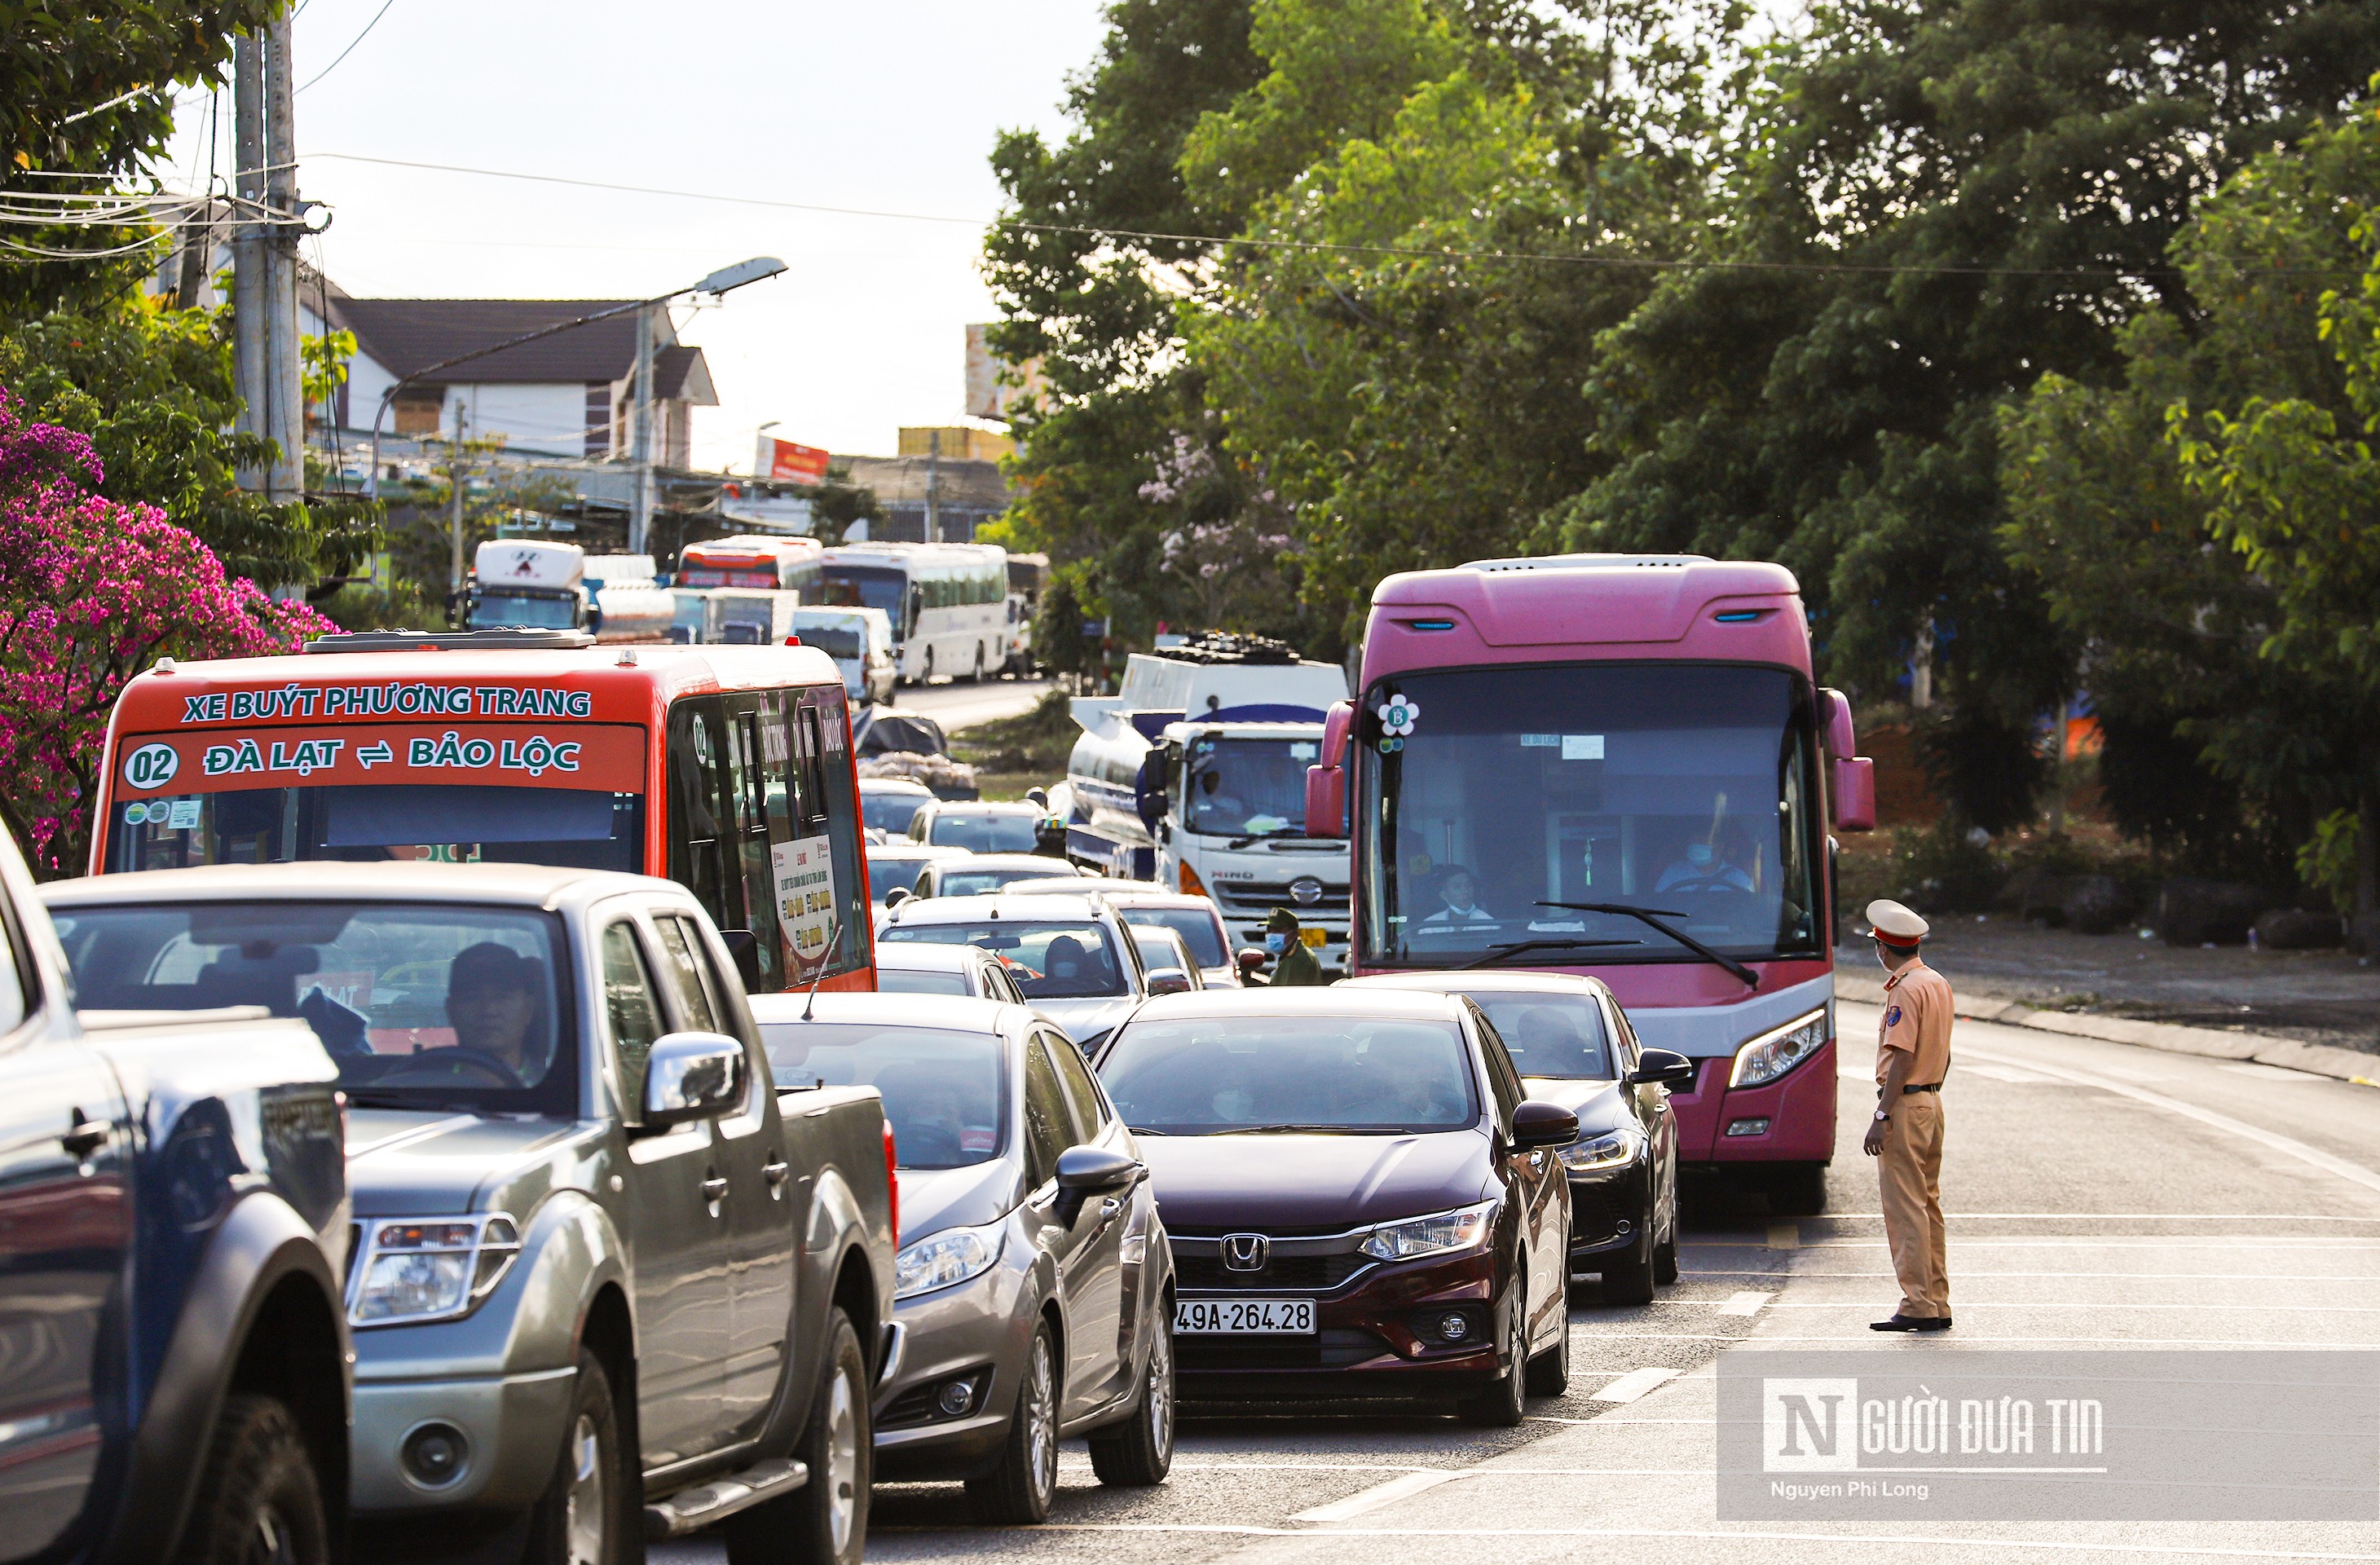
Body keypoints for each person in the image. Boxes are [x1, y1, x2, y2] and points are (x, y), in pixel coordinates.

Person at [1861, 899, 1953, 1332]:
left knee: (1906, 1208)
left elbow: (1901, 1055)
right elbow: (1943, 1051)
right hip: (1931, 1101)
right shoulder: (1936, 982)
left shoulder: (1905, 990)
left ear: (1883, 948)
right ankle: (1937, 1299)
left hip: (1905, 1102)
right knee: (1928, 1204)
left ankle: (1917, 1302)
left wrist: (1882, 1112)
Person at [444, 941, 550, 1084]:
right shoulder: (421, 1085)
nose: (488, 1010)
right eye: (472, 997)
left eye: (502, 997)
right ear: (451, 1011)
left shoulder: (554, 1089)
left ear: (528, 1009)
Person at [1657, 831, 1756, 893]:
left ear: (1720, 847)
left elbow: (1749, 912)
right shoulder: (1674, 872)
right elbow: (1659, 906)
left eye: (1702, 842)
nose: (1696, 846)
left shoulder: (1737, 878)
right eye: (1694, 842)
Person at [1261, 906, 1326, 986]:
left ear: (1294, 933)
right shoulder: (1290, 956)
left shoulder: (1298, 960)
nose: (1272, 935)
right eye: (1269, 930)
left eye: (1278, 931)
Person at [1419, 866, 1497, 928]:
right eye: (1457, 887)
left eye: (1469, 885)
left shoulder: (1488, 923)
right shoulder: (1430, 926)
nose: (1466, 892)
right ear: (1443, 895)